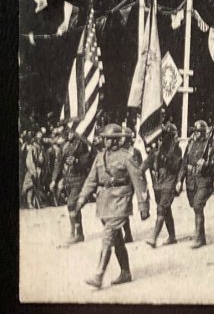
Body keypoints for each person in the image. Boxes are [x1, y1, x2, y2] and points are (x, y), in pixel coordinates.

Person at [76, 123, 150, 288]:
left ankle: (99, 274)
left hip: (120, 200)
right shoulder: (100, 157)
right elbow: (91, 179)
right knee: (117, 240)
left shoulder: (126, 156)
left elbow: (138, 180)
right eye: (104, 138)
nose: (105, 141)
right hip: (104, 202)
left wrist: (142, 205)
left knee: (108, 236)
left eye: (108, 139)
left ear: (116, 140)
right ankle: (125, 272)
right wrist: (82, 198)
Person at [176, 120, 214, 249]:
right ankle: (202, 236)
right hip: (191, 180)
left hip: (204, 180)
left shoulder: (211, 145)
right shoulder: (190, 145)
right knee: (194, 205)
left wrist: (206, 164)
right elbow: (184, 164)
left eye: (198, 132)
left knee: (197, 205)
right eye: (195, 131)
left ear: (203, 132)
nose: (196, 134)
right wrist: (179, 180)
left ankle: (198, 238)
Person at [50, 128, 95, 243]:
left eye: (72, 132)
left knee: (71, 203)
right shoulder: (63, 147)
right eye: (68, 132)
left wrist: (76, 161)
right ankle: (79, 233)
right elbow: (58, 164)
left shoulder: (81, 144)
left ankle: (73, 232)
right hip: (67, 180)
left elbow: (87, 161)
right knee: (73, 207)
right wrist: (54, 180)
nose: (70, 134)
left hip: (78, 178)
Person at [142, 122, 182, 248]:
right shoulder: (155, 152)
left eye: (164, 136)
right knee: (166, 211)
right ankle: (172, 236)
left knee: (162, 210)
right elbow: (142, 168)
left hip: (169, 184)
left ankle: (154, 238)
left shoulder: (176, 150)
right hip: (158, 185)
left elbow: (176, 167)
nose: (160, 139)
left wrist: (167, 155)